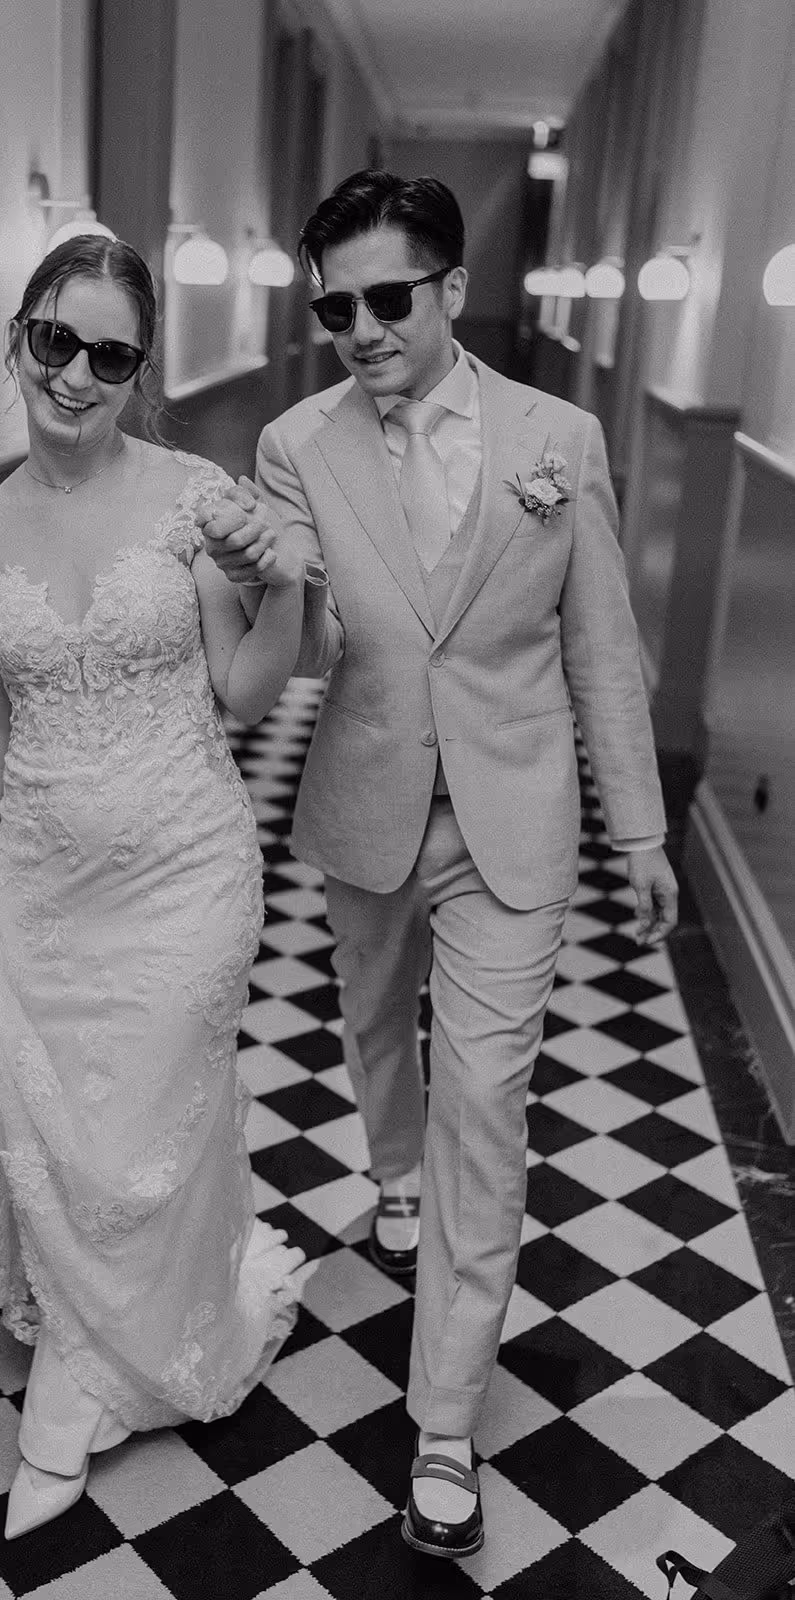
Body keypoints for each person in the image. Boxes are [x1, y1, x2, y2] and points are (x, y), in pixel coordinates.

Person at [200, 169, 678, 1561]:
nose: (358, 327)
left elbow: (597, 647)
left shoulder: (558, 438)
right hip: (362, 794)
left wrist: (638, 830)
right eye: (334, 303)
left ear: (452, 290)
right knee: (371, 1022)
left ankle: (447, 1417)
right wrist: (259, 572)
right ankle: (387, 1166)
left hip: (512, 815)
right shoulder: (294, 441)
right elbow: (312, 639)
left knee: (489, 1099)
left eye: (385, 298)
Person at [0, 233, 309, 1542]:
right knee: (74, 1142)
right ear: (19, 337)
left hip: (187, 874)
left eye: (112, 354)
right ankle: (110, 1342)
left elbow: (246, 689)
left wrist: (277, 587)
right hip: (47, 884)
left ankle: (73, 1396)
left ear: (139, 371)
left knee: (147, 1129)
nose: (79, 373)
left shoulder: (187, 496)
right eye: (58, 341)